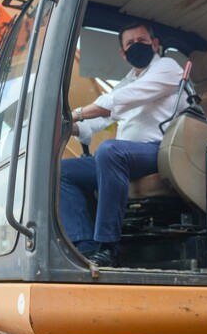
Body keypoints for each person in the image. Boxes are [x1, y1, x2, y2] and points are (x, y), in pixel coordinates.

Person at [61, 21, 188, 267]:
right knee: (63, 172)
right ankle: (86, 248)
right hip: (123, 158)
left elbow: (117, 101)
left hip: (159, 152)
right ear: (122, 52)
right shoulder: (129, 79)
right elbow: (99, 119)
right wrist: (67, 126)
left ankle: (108, 247)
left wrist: (76, 113)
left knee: (109, 151)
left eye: (141, 41)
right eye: (130, 43)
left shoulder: (168, 68)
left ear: (154, 44)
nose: (136, 47)